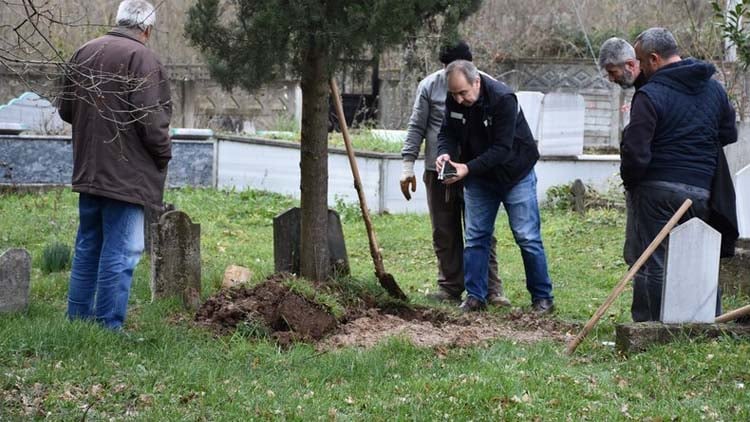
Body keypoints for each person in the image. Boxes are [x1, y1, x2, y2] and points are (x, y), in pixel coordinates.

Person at [58, 0, 172, 330]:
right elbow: (151, 122)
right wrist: (163, 155)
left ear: (119, 20)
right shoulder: (143, 59)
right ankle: (108, 325)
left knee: (88, 244)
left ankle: (77, 320)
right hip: (128, 173)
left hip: (89, 168)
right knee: (122, 250)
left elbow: (66, 109)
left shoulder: (84, 52)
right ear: (147, 29)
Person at [621, 27, 737, 321]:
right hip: (701, 189)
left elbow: (636, 151)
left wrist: (633, 183)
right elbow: (728, 132)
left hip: (656, 189)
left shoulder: (650, 94)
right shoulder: (714, 89)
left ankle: (651, 326)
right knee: (698, 260)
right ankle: (700, 322)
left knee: (654, 260)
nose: (640, 68)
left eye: (641, 61)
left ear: (654, 59)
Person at [435, 60, 555, 313]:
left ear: (476, 82)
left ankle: (542, 297)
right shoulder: (453, 100)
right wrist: (444, 154)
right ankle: (475, 297)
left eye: (463, 93)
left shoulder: (503, 99)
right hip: (480, 179)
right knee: (476, 237)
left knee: (527, 236)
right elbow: (446, 132)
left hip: (515, 175)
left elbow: (501, 149)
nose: (458, 99)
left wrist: (466, 168)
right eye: (454, 93)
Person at [400, 42, 509, 306]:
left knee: (481, 231)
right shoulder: (429, 86)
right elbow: (417, 126)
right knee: (444, 231)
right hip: (439, 170)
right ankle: (450, 287)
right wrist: (407, 165)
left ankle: (491, 289)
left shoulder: (489, 87)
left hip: (476, 168)